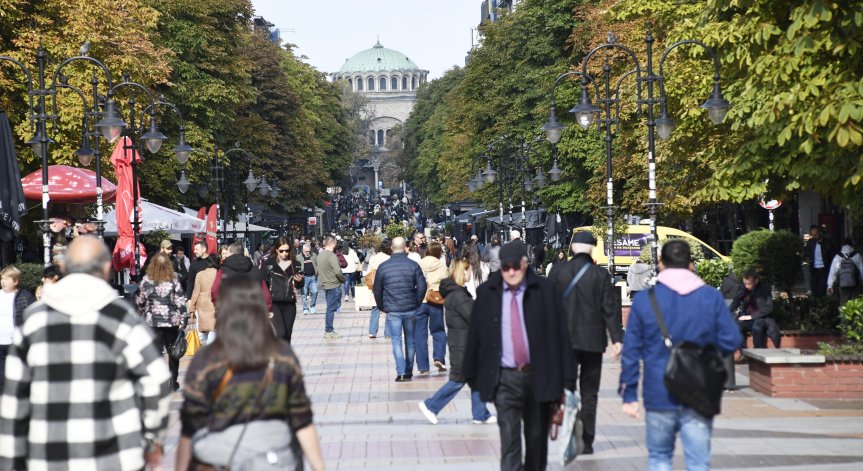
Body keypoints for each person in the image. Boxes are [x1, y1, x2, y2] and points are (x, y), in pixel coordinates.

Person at [0, 236, 172, 470]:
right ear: (105, 268)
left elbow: (14, 398)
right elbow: (157, 380)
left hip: (49, 455)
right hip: (115, 456)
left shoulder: (34, 321)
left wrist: (12, 458)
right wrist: (151, 439)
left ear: (65, 268)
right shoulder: (122, 319)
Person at [176, 276, 324, 471]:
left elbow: (191, 425)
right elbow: (301, 419)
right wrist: (318, 466)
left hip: (219, 458)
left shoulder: (206, 361)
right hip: (273, 458)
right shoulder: (281, 356)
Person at [620, 240, 742, 471]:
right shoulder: (710, 297)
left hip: (658, 391)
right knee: (698, 462)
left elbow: (631, 350)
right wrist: (707, 354)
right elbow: (731, 340)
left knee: (659, 457)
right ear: (691, 265)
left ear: (661, 264)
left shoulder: (645, 300)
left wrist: (629, 395)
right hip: (699, 390)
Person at [463, 241, 575, 470]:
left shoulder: (545, 290)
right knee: (510, 440)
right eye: (506, 267)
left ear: (526, 264)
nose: (511, 272)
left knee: (536, 442)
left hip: (538, 376)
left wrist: (568, 381)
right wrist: (472, 376)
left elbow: (561, 335)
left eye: (516, 266)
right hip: (504, 378)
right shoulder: (487, 293)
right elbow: (475, 336)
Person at [548, 231, 623, 455]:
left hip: (565, 341)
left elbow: (549, 306)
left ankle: (569, 433)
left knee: (567, 389)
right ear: (592, 248)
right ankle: (587, 440)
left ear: (572, 247)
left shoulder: (558, 271)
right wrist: (616, 339)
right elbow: (609, 309)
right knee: (590, 392)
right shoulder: (600, 275)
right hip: (592, 340)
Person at [418, 258, 495, 425]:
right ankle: (431, 405)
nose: (470, 273)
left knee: (475, 378)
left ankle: (480, 414)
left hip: (465, 342)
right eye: (468, 270)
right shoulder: (458, 295)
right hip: (462, 345)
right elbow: (473, 316)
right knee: (458, 379)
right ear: (462, 272)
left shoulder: (458, 293)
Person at [373, 237, 427, 382]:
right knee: (410, 340)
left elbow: (377, 289)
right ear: (405, 248)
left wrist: (381, 306)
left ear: (391, 248)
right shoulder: (413, 265)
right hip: (410, 308)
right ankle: (408, 370)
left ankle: (401, 371)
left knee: (396, 341)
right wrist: (417, 301)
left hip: (393, 309)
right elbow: (422, 286)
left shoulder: (384, 267)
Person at [136, 252, 189, 392]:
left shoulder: (146, 281)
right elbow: (180, 301)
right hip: (171, 321)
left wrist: (142, 313)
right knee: (173, 351)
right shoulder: (173, 280)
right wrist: (183, 319)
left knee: (156, 353)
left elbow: (140, 301)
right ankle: (173, 380)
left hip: (152, 322)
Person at [0, 266, 36, 391]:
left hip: (16, 342)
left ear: (15, 281)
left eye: (6, 279)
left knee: (16, 375)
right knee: (2, 378)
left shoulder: (25, 297)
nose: (3, 282)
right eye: (2, 279)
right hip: (1, 343)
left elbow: (31, 318)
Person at [264, 237, 305, 344]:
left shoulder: (295, 264)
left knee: (287, 334)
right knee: (280, 333)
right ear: (276, 250)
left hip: (290, 303)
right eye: (281, 251)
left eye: (287, 250)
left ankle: (284, 358)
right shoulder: (269, 264)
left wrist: (299, 281)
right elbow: (262, 284)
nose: (284, 253)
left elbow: (299, 285)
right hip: (274, 303)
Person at [210, 243, 272, 313]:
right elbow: (266, 295)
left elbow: (214, 291)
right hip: (252, 312)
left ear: (231, 253)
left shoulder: (223, 270)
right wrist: (267, 309)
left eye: (227, 253)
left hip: (229, 312)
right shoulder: (255, 271)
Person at [417, 241, 449, 374]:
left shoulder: (419, 264)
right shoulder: (442, 266)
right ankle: (439, 357)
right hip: (436, 300)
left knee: (420, 334)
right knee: (438, 330)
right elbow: (446, 284)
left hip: (421, 301)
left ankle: (423, 367)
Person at [730, 269, 781, 348]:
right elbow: (735, 303)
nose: (746, 286)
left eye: (749, 284)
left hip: (762, 318)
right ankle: (744, 352)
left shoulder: (764, 289)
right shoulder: (743, 290)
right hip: (747, 317)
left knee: (757, 327)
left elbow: (769, 308)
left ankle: (758, 352)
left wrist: (751, 316)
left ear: (756, 281)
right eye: (745, 283)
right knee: (737, 326)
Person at [317, 235, 346, 339]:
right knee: (331, 308)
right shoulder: (331, 256)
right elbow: (338, 271)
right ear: (333, 243)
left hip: (325, 284)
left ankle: (329, 330)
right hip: (333, 284)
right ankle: (329, 330)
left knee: (330, 307)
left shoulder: (320, 255)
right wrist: (343, 279)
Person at [188, 254, 219, 344]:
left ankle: (201, 344)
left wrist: (192, 308)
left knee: (202, 327)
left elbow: (196, 292)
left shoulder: (200, 274)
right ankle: (209, 347)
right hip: (214, 302)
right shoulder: (218, 273)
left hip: (202, 303)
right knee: (213, 328)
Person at [366, 239, 392, 338]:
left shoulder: (374, 257)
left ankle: (372, 332)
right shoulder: (389, 258)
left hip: (376, 286)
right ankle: (388, 333)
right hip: (387, 285)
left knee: (375, 308)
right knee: (388, 309)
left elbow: (368, 272)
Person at [827, 238, 863, 306]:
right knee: (855, 305)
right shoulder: (857, 255)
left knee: (844, 304)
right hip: (855, 285)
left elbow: (833, 272)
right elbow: (862, 270)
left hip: (842, 285)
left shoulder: (838, 256)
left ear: (842, 246)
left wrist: (830, 285)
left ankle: (844, 316)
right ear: (852, 245)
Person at [804, 225, 836, 298]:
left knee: (822, 289)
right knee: (815, 289)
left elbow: (832, 255)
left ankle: (823, 303)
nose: (815, 237)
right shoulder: (810, 242)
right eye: (813, 235)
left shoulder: (827, 242)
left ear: (820, 233)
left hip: (824, 269)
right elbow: (806, 254)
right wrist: (807, 259)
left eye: (816, 235)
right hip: (814, 269)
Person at [297, 243, 319, 314]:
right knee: (304, 294)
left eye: (309, 251)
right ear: (303, 250)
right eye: (306, 251)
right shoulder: (299, 257)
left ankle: (312, 306)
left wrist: (317, 272)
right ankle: (305, 308)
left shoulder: (314, 255)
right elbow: (296, 267)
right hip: (304, 278)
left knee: (315, 291)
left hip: (313, 277)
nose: (308, 253)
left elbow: (317, 264)